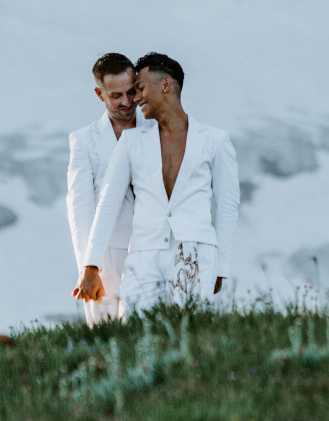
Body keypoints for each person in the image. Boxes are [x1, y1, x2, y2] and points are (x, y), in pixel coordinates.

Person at [73, 52, 239, 316]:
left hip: (196, 253)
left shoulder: (215, 141)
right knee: (135, 334)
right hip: (143, 255)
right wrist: (90, 265)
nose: (135, 99)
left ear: (165, 85)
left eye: (139, 89)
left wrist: (221, 267)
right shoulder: (132, 141)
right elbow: (108, 201)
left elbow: (228, 207)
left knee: (188, 333)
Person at [66, 53, 152, 325]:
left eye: (131, 92)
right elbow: (80, 208)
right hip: (105, 256)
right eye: (116, 96)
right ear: (99, 94)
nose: (126, 103)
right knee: (105, 336)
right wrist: (88, 267)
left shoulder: (156, 131)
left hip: (151, 250)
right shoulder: (83, 141)